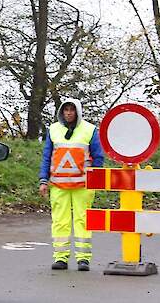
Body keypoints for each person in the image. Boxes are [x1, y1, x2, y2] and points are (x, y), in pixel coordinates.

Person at [39, 98, 104, 271]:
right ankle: (61, 258)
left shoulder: (89, 130)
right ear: (62, 111)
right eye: (66, 110)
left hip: (83, 185)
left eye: (72, 110)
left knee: (83, 221)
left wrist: (95, 178)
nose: (68, 113)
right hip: (58, 186)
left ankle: (83, 259)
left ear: (78, 112)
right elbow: (47, 157)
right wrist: (43, 180)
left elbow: (98, 157)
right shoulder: (53, 130)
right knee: (60, 222)